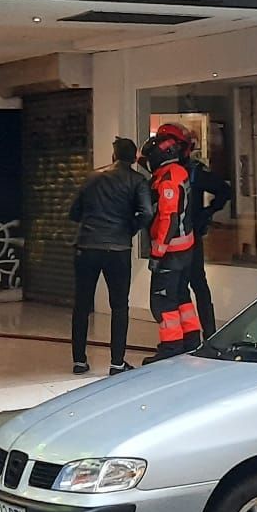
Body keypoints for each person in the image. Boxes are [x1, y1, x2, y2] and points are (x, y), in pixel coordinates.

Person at [68, 136, 154, 376]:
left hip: (87, 246)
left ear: (113, 156)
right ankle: (117, 362)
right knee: (119, 306)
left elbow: (74, 212)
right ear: (133, 158)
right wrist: (129, 228)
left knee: (82, 304)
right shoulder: (138, 181)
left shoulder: (92, 177)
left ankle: (79, 361)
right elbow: (147, 213)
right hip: (118, 249)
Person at [142, 122, 204, 361]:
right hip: (185, 248)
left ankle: (170, 348)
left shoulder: (167, 179)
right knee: (181, 297)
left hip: (170, 251)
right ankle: (191, 340)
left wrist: (157, 252)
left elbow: (168, 217)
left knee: (162, 302)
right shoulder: (179, 172)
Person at [184, 151, 236, 340]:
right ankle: (190, 337)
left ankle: (207, 333)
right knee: (188, 288)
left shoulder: (194, 171)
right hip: (174, 237)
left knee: (196, 285)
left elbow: (224, 190)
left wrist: (207, 212)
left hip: (188, 236)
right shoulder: (167, 168)